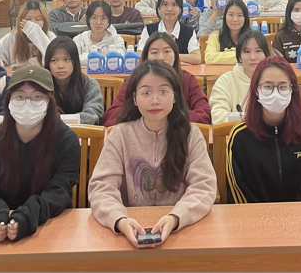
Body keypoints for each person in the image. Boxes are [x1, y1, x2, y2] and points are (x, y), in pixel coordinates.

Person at [88, 61, 216, 248]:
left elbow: (204, 187)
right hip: (129, 229)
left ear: (175, 96)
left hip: (180, 230)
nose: (155, 100)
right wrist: (119, 219)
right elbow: (101, 188)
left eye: (163, 92)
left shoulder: (191, 134)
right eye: (146, 93)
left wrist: (176, 217)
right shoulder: (120, 135)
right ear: (135, 98)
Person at [0, 65, 80, 242]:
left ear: (49, 102)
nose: (28, 103)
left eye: (37, 97)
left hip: (50, 229)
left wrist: (28, 217)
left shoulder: (67, 142)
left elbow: (59, 191)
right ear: (9, 102)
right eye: (19, 96)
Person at [226, 57, 301, 203]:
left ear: (293, 89)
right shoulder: (240, 136)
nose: (275, 93)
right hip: (254, 215)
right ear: (256, 90)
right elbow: (238, 189)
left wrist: (296, 214)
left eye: (283, 86)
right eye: (268, 86)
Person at [101, 32, 211, 126]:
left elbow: (204, 113)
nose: (161, 58)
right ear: (146, 57)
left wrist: (166, 117)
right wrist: (149, 118)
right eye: (154, 52)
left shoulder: (187, 79)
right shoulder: (135, 80)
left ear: (175, 56)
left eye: (167, 51)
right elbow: (111, 116)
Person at [209, 30, 270, 124]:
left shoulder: (275, 80)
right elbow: (218, 116)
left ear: (266, 55)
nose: (253, 57)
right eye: (247, 51)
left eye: (258, 51)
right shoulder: (225, 81)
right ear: (239, 57)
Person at [45, 38, 103, 125]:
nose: (60, 66)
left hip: (82, 132)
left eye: (66, 59)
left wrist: (58, 122)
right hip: (51, 132)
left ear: (75, 62)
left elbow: (93, 114)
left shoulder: (90, 84)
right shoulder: (42, 86)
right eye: (54, 60)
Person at [137, 0, 201, 65]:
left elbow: (197, 58)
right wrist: (176, 61)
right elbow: (140, 56)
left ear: (180, 7)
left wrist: (171, 58)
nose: (170, 9)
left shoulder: (188, 31)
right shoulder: (149, 30)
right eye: (165, 4)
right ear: (159, 8)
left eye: (174, 4)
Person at [0, 0, 56, 68]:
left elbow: (53, 61)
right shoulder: (11, 39)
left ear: (44, 21)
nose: (32, 23)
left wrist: (38, 35)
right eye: (27, 19)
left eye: (38, 19)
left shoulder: (51, 38)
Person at [73, 0, 126, 68]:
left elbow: (121, 60)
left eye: (103, 18)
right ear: (88, 19)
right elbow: (74, 60)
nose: (98, 22)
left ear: (109, 20)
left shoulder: (117, 39)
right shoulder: (78, 39)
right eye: (94, 18)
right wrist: (102, 57)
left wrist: (89, 58)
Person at [205, 0, 251, 64]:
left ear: (245, 18)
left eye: (239, 15)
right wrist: (241, 55)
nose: (235, 19)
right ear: (225, 17)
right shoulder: (215, 36)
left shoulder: (252, 38)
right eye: (231, 15)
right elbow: (209, 58)